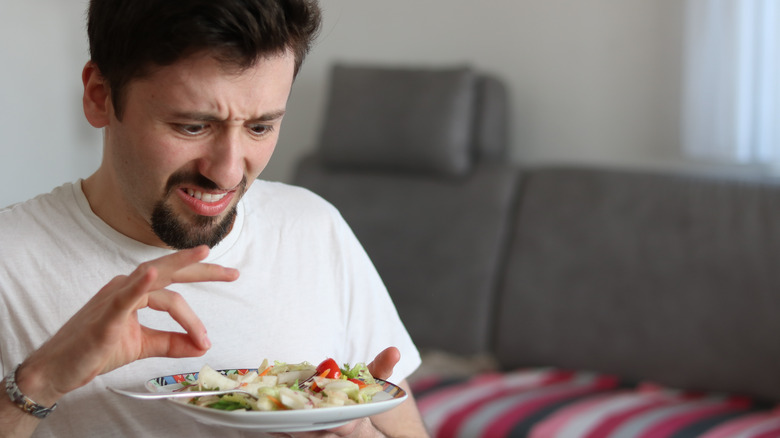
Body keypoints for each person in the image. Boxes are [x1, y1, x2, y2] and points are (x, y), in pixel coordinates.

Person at [0, 1, 429, 437]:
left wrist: (357, 432)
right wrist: (40, 380)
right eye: (192, 126)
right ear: (100, 97)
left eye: (260, 128)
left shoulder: (312, 227)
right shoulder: (9, 261)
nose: (226, 173)